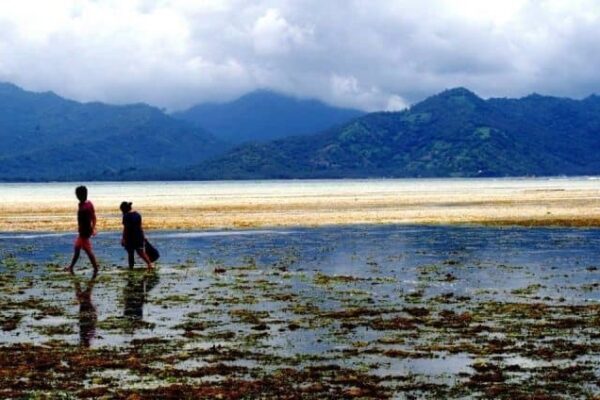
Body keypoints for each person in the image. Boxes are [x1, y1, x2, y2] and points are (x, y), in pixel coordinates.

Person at [66, 186, 99, 273]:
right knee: (77, 248)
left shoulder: (84, 208)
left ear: (80, 195)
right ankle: (71, 267)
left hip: (84, 232)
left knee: (88, 251)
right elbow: (93, 217)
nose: (76, 196)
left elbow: (87, 220)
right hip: (84, 231)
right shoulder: (89, 203)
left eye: (77, 194)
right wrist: (93, 227)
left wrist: (90, 230)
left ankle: (95, 268)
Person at [120, 201, 153, 269]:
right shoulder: (137, 214)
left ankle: (131, 267)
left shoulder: (126, 216)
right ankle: (149, 264)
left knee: (130, 253)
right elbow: (140, 227)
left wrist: (123, 239)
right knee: (141, 252)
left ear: (124, 210)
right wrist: (143, 236)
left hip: (130, 237)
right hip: (139, 235)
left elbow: (126, 229)